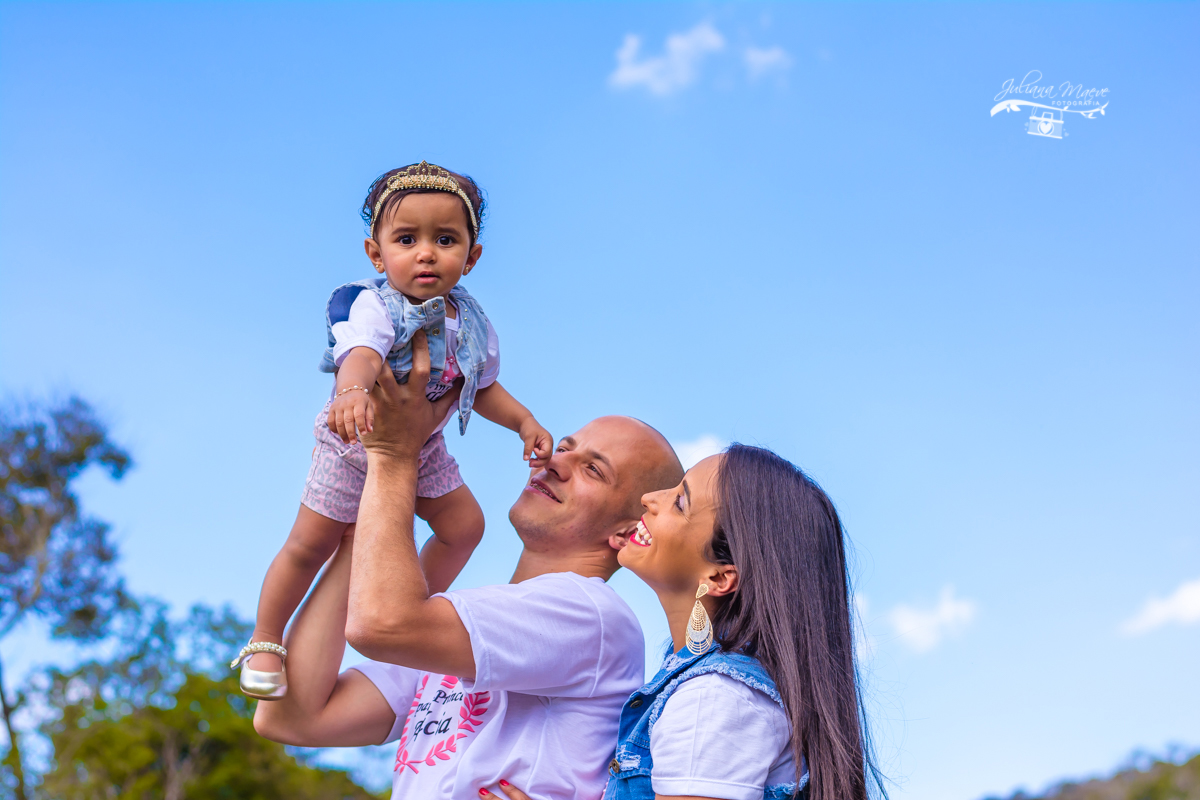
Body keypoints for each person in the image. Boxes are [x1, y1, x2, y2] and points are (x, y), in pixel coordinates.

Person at [253, 331, 687, 800]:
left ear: (625, 533)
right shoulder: (465, 631)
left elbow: (381, 624)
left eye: (593, 470)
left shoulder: (593, 616)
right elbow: (290, 716)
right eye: (565, 447)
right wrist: (358, 526)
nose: (557, 463)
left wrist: (395, 454)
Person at [233, 161, 553, 701]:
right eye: (407, 239)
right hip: (353, 444)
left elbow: (481, 386)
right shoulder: (374, 306)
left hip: (423, 447)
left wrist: (523, 422)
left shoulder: (474, 324)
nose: (426, 252)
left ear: (471, 258)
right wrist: (352, 390)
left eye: (445, 239)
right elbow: (358, 356)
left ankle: (400, 605)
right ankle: (266, 639)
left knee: (465, 526)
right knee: (311, 544)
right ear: (376, 254)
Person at [482, 444, 884, 800]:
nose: (649, 499)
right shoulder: (711, 690)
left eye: (679, 502)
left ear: (720, 576)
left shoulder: (713, 698)